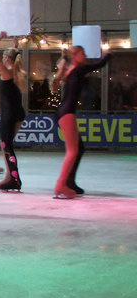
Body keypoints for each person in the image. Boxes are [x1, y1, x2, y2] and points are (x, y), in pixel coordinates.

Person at [51, 44, 110, 198]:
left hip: (63, 112)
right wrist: (108, 53)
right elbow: (99, 65)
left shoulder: (69, 71)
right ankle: (61, 185)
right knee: (72, 151)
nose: (85, 56)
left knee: (79, 148)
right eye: (82, 53)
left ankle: (69, 182)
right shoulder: (78, 70)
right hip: (67, 113)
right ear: (75, 55)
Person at [0, 32, 27, 191]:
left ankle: (15, 179)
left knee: (6, 146)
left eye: (4, 55)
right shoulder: (16, 71)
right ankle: (9, 177)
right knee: (7, 146)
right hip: (18, 113)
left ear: (8, 58)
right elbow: (13, 55)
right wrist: (14, 45)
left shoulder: (6, 72)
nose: (2, 57)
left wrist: (0, 36)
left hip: (9, 114)